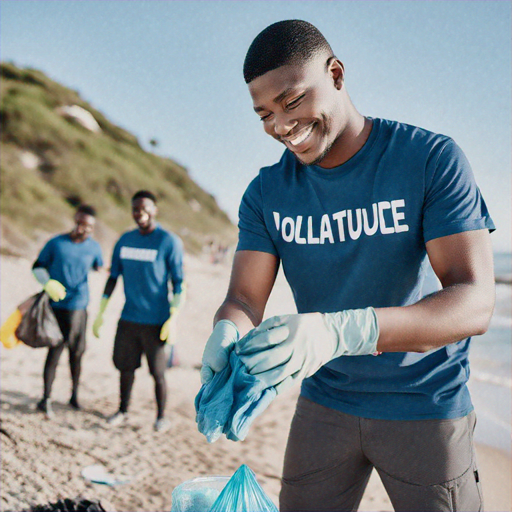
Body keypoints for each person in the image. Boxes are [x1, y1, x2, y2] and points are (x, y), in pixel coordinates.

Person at [200, 20, 495, 512]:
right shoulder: (266, 194)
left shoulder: (429, 159)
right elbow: (245, 298)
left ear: (335, 74)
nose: (281, 126)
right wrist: (226, 331)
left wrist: (339, 332)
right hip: (325, 402)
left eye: (291, 102)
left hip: (424, 402)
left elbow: (474, 302)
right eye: (264, 114)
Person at [93, 190, 184, 432]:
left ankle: (161, 416)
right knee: (126, 369)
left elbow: (179, 283)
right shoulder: (124, 240)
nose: (140, 214)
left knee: (158, 372)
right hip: (129, 318)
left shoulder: (168, 241)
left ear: (154, 210)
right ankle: (122, 410)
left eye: (145, 209)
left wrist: (173, 317)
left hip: (157, 321)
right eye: (136, 209)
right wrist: (101, 310)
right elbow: (113, 277)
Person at [33, 204, 103, 418]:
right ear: (75, 220)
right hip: (55, 306)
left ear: (93, 227)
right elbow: (37, 266)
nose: (83, 228)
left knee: (77, 353)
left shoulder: (94, 248)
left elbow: (98, 267)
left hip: (79, 307)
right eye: (80, 223)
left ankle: (74, 396)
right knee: (54, 351)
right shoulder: (56, 243)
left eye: (88, 226)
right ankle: (45, 398)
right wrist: (48, 284)